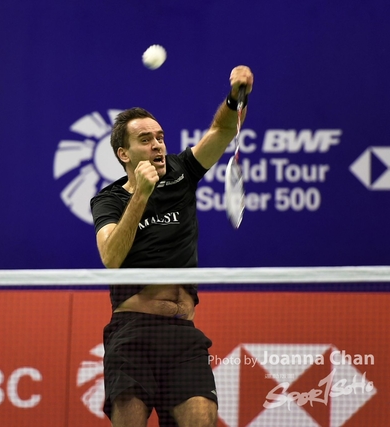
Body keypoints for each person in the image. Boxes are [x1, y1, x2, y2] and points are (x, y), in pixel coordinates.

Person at [90, 65, 254, 427]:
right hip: (133, 332)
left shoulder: (182, 172)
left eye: (160, 137)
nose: (157, 144)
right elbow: (111, 257)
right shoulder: (109, 200)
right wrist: (141, 195)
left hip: (182, 334)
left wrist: (234, 97)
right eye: (145, 139)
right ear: (124, 154)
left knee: (202, 418)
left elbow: (222, 131)